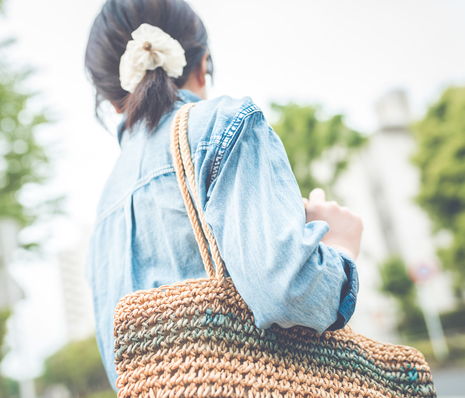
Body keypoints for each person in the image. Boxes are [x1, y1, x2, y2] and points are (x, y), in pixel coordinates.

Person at [84, 0, 363, 391]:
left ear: (112, 100)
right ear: (202, 66)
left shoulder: (104, 209)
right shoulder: (220, 125)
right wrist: (340, 247)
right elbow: (289, 293)